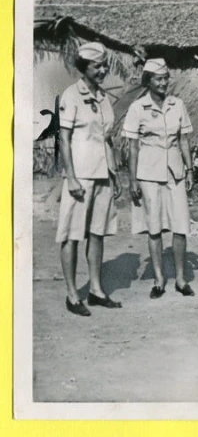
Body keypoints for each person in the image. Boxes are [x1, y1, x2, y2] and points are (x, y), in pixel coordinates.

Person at [56, 42, 123, 316]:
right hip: (80, 175)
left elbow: (107, 138)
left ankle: (95, 289)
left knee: (98, 233)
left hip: (103, 173)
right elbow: (64, 139)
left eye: (104, 66)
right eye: (97, 66)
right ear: (83, 69)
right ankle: (72, 294)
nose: (103, 71)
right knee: (72, 235)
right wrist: (70, 177)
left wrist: (114, 173)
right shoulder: (71, 95)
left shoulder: (104, 97)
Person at [123, 58, 196, 299]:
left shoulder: (178, 105)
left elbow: (184, 140)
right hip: (148, 172)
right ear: (148, 81)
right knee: (153, 227)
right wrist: (132, 180)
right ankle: (158, 278)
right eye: (158, 79)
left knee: (180, 225)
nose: (163, 83)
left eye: (166, 78)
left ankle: (181, 278)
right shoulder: (137, 108)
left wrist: (190, 169)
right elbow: (133, 147)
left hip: (175, 170)